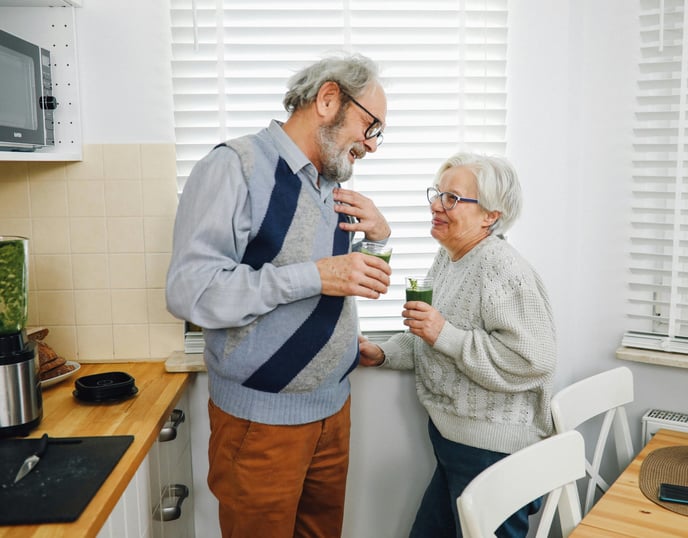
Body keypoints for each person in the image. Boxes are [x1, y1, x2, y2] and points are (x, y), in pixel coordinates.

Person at [165, 53, 392, 538]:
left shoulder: (330, 183)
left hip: (333, 412)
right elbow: (191, 291)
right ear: (328, 100)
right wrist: (313, 277)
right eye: (370, 126)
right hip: (260, 427)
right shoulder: (234, 167)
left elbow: (338, 282)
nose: (372, 145)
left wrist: (379, 237)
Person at [359, 152, 557, 538]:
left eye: (452, 198)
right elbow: (432, 337)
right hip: (454, 440)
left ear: (490, 216)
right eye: (437, 194)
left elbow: (534, 360)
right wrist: (384, 353)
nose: (437, 205)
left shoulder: (502, 268)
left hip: (492, 451)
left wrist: (443, 333)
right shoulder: (450, 257)